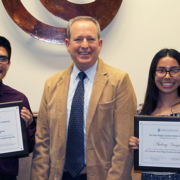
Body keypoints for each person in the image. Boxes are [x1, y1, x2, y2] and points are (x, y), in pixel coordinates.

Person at [31, 16, 137, 180]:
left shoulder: (119, 82)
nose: (85, 45)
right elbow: (42, 143)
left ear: (100, 44)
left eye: (91, 39)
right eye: (78, 39)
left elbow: (123, 145)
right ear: (68, 44)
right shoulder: (51, 85)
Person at [129, 48, 180, 180]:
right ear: (153, 75)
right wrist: (133, 149)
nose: (167, 76)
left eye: (174, 70)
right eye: (161, 70)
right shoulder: (141, 113)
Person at [0, 36, 36, 180]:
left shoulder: (18, 99)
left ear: (8, 64)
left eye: (3, 58)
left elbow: (31, 147)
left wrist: (25, 128)